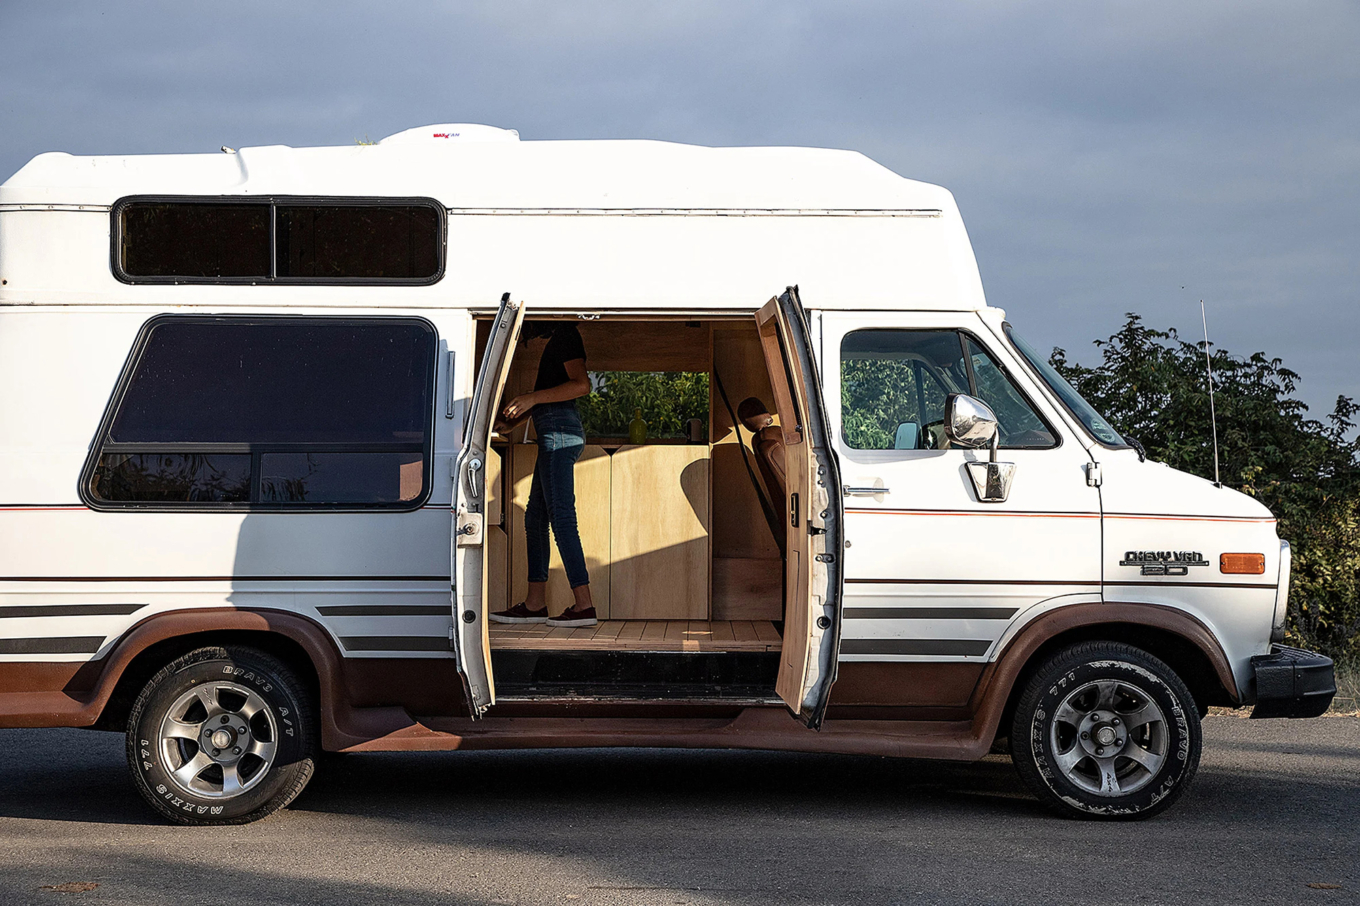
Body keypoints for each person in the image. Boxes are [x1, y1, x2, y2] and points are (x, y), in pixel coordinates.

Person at [490, 322, 598, 627]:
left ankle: (584, 606)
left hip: (560, 434)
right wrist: (514, 421)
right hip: (554, 431)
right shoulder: (558, 339)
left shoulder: (566, 334)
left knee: (561, 517)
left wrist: (532, 398)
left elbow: (582, 385)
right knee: (535, 517)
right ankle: (535, 604)